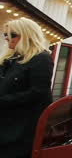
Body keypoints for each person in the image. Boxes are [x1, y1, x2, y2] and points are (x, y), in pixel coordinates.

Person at [0, 18, 54, 158]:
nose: (7, 38)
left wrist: (4, 100)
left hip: (20, 126)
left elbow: (38, 93)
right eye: (5, 34)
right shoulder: (10, 59)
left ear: (26, 35)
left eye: (11, 34)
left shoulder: (41, 58)